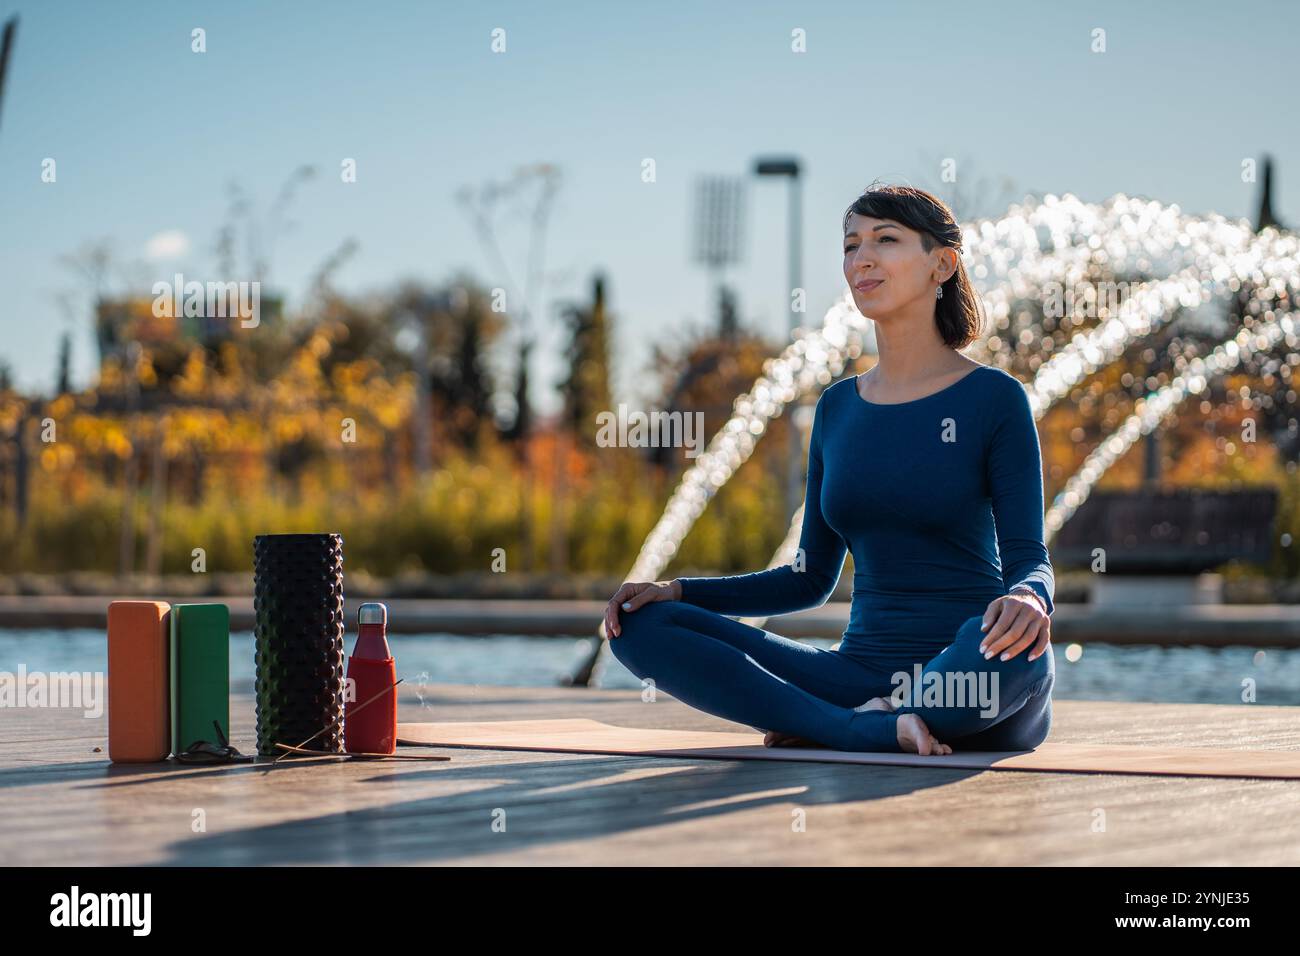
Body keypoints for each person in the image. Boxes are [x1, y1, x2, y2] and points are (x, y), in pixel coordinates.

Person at [603, 183, 1055, 756]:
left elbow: (1028, 559)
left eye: (885, 240)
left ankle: (857, 720)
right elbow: (808, 578)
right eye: (850, 245)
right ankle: (862, 725)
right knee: (640, 626)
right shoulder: (838, 408)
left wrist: (1032, 599)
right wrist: (679, 592)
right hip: (856, 676)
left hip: (975, 672)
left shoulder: (994, 398)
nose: (861, 258)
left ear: (941, 263)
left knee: (1004, 651)